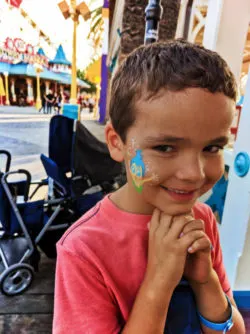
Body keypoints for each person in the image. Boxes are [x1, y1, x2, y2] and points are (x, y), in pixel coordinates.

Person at [53, 40, 246, 333]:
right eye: (166, 147)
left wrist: (206, 280)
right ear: (117, 143)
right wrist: (159, 280)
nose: (194, 174)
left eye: (212, 147)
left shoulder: (202, 219)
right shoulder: (84, 250)